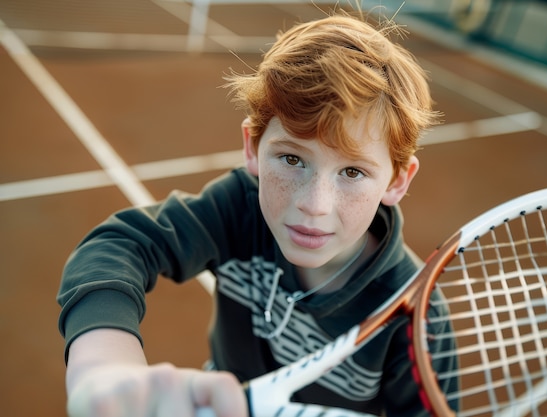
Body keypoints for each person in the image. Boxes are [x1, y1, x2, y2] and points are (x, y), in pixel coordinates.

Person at [57, 9, 457, 417]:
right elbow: (121, 245)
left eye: (352, 171)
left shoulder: (417, 317)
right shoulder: (240, 210)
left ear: (397, 181)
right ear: (252, 147)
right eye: (291, 158)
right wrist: (102, 365)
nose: (314, 205)